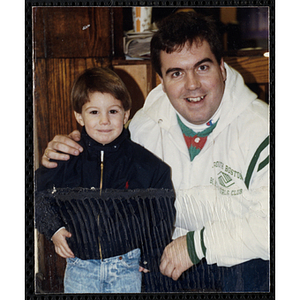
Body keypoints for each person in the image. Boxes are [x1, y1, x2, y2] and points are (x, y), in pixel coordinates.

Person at [40, 12, 270, 292]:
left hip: (238, 264)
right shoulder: (144, 126)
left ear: (222, 68)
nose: (192, 85)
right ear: (161, 80)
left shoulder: (263, 129)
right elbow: (103, 157)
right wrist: (65, 152)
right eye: (176, 73)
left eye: (202, 67)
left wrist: (197, 245)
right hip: (167, 260)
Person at [35, 67, 175, 293]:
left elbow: (160, 215)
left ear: (126, 114)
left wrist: (151, 255)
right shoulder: (66, 159)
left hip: (126, 267)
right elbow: (36, 194)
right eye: (93, 112)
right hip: (80, 266)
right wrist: (54, 229)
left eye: (113, 111)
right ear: (78, 116)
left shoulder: (148, 166)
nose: (104, 121)